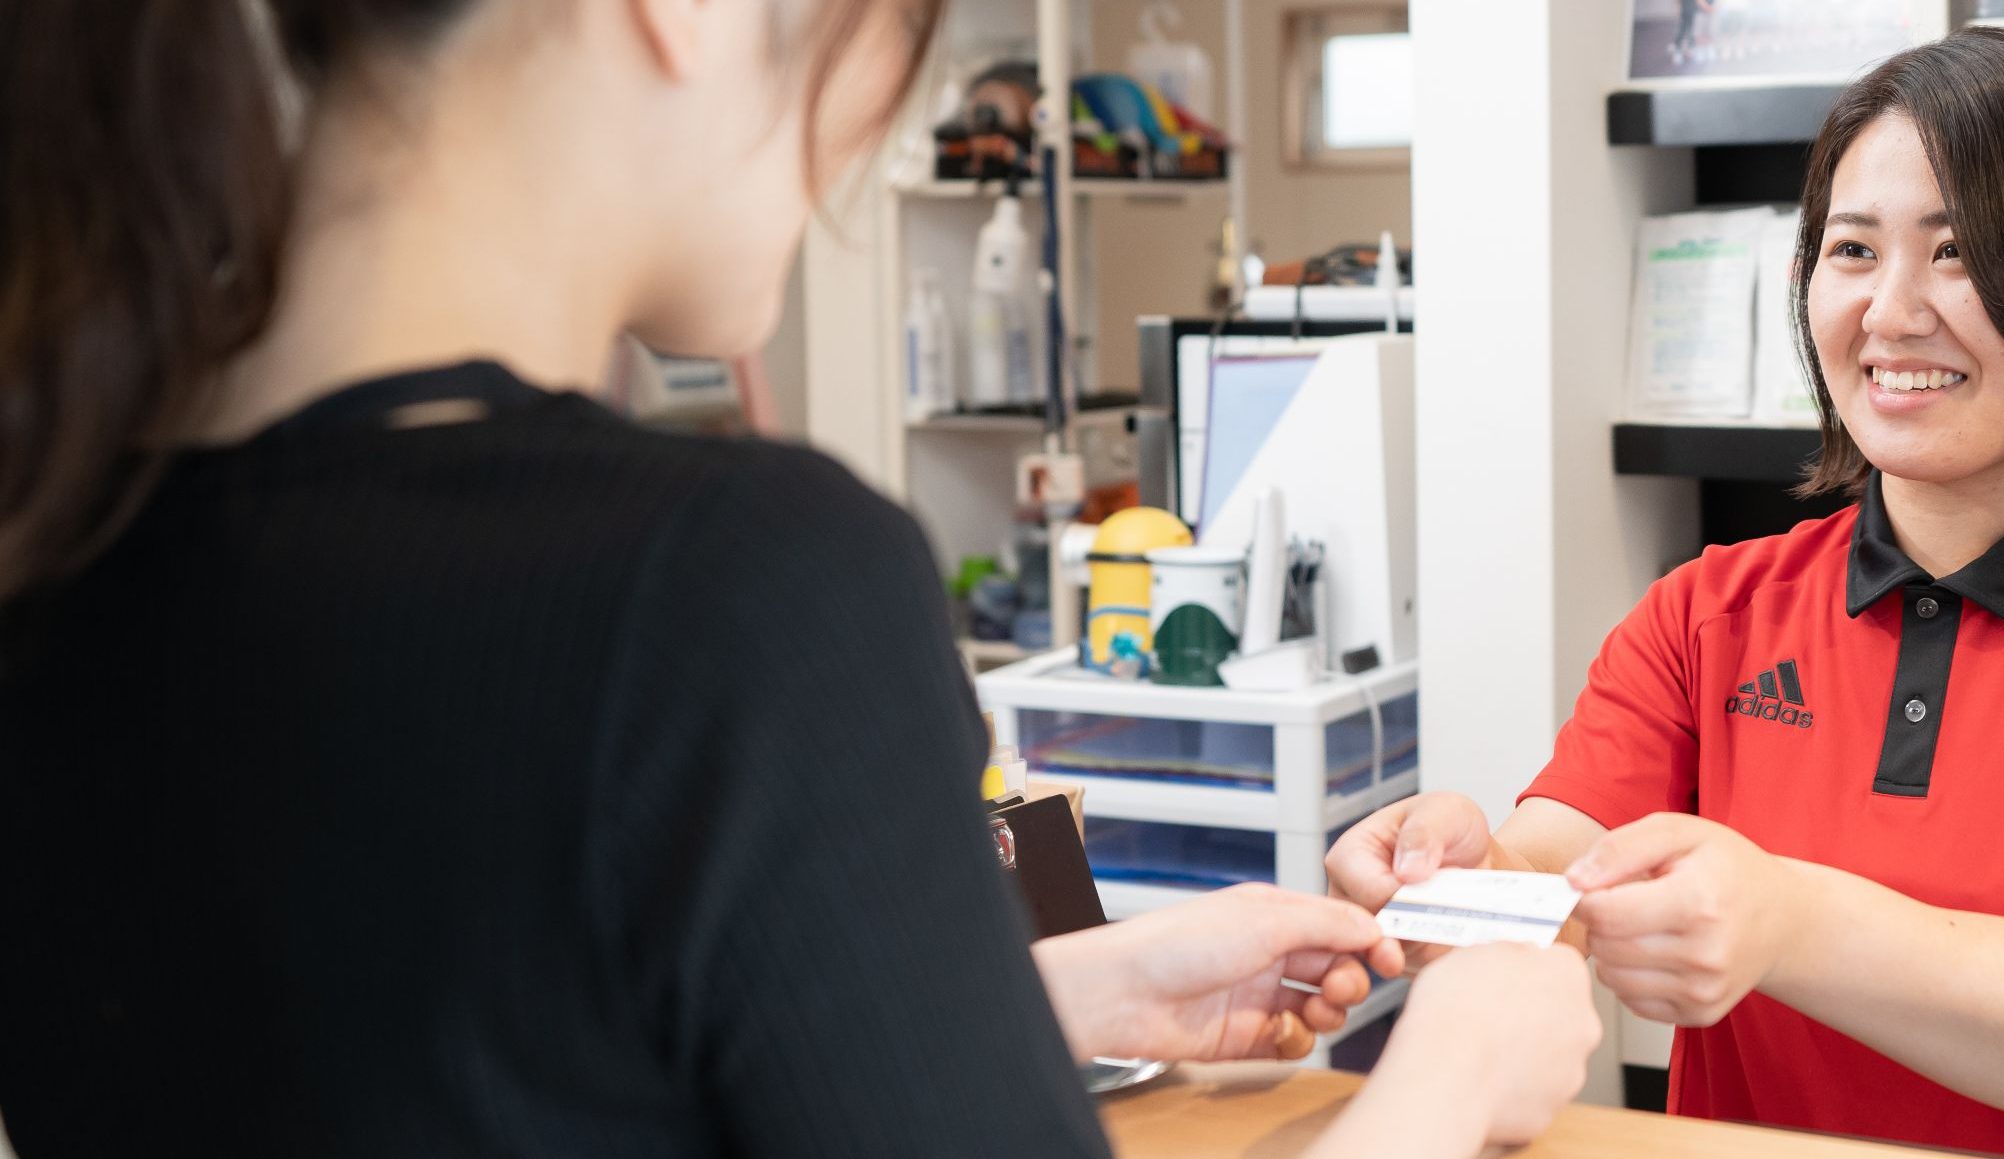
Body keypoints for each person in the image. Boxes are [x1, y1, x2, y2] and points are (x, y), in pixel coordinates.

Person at [0, 2, 1597, 1157]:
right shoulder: (736, 584)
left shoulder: (61, 537)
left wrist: (1021, 996)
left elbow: (480, 1054)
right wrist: (1442, 1084)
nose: (866, 118)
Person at [1329, 27, 2004, 1159]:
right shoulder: (1707, 614)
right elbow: (1557, 874)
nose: (1891, 312)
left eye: (1960, 252)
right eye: (1854, 250)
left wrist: (1786, 918)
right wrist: (1462, 880)